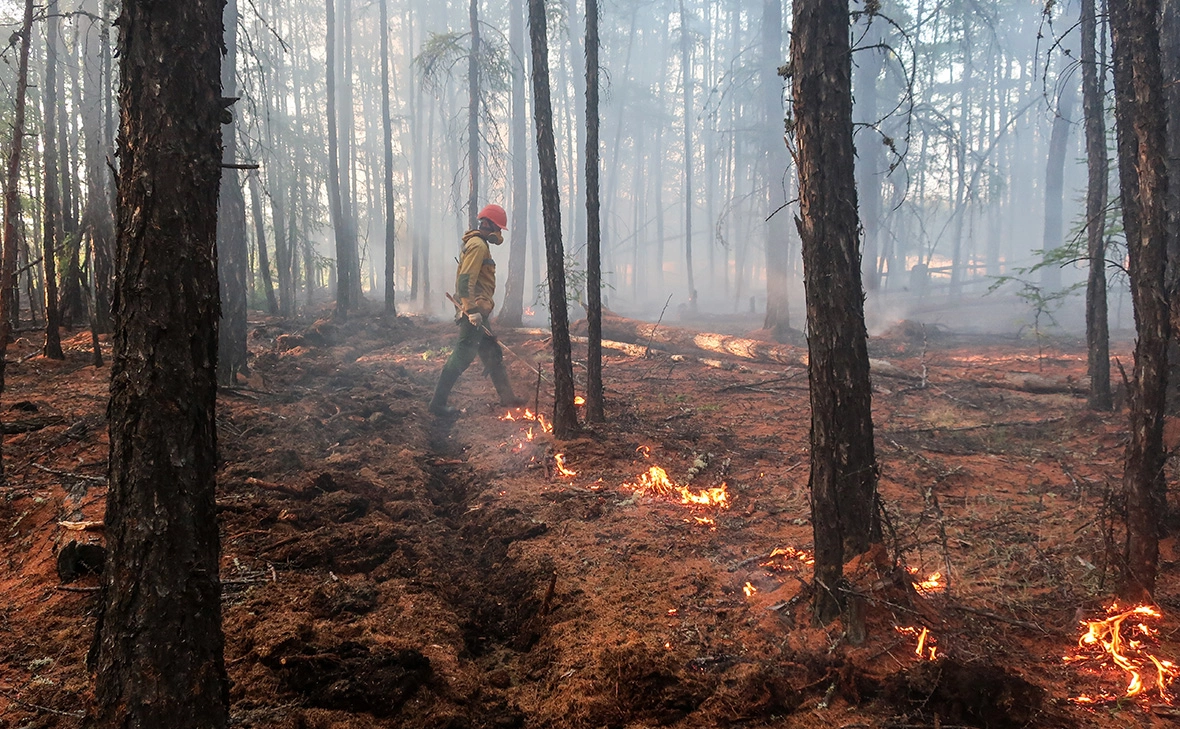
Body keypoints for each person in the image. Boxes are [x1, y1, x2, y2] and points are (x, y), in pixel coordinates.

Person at [429, 204, 527, 416]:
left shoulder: (479, 244)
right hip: (472, 313)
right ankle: (437, 403)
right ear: (490, 224)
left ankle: (508, 398)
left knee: (492, 352)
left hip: (478, 312)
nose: (499, 232)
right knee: (463, 355)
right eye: (498, 227)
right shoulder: (478, 246)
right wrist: (471, 310)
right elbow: (466, 280)